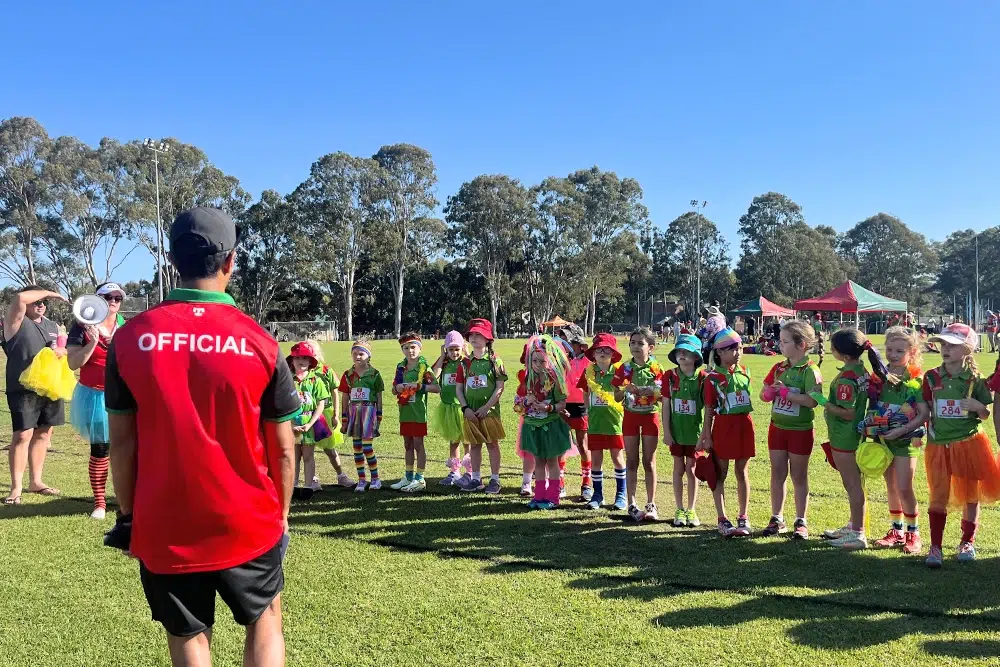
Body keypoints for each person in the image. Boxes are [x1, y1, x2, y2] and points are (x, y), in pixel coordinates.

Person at [105, 207, 299, 665]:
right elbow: (284, 448)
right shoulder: (259, 341)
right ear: (231, 261)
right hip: (248, 519)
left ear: (172, 261)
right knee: (266, 620)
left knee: (188, 635)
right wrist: (283, 514)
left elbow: (122, 443)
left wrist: (132, 515)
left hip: (164, 522)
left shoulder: (131, 337)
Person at [922, 324, 1000, 567]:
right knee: (938, 495)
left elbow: (986, 414)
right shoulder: (931, 376)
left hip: (969, 444)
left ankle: (967, 542)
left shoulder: (975, 380)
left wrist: (979, 408)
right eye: (943, 344)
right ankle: (935, 547)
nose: (945, 349)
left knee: (970, 495)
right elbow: (925, 408)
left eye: (952, 345)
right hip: (938, 445)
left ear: (967, 349)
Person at [820, 329, 888, 551]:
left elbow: (846, 412)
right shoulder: (860, 369)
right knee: (853, 484)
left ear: (843, 354)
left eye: (833, 347)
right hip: (852, 433)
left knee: (852, 485)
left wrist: (821, 400)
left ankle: (858, 534)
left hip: (845, 435)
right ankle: (854, 525)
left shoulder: (848, 378)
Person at [3, 285, 69, 505]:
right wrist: (50, 293)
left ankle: (36, 481)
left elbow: (63, 348)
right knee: (22, 435)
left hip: (49, 387)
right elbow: (20, 298)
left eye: (44, 303)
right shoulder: (15, 322)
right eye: (37, 301)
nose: (41, 305)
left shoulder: (53, 326)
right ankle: (16, 487)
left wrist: (62, 351)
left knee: (43, 434)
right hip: (22, 389)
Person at [67, 282, 127, 518]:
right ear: (97, 298)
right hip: (94, 396)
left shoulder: (125, 326)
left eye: (117, 298)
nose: (113, 301)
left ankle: (126, 499)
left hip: (122, 392)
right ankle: (100, 503)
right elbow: (73, 363)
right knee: (101, 449)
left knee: (126, 448)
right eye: (107, 296)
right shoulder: (81, 325)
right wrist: (92, 342)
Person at [760, 320, 822, 539]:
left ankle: (800, 520)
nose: (780, 344)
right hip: (777, 429)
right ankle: (777, 517)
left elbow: (813, 401)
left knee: (799, 476)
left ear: (801, 344)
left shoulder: (810, 370)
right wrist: (769, 394)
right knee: (777, 473)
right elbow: (763, 393)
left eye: (785, 341)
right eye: (781, 340)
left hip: (800, 430)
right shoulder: (779, 367)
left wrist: (788, 394)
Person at [870, 327, 928, 555]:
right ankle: (896, 531)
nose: (893, 355)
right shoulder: (880, 377)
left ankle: (914, 534)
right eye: (889, 349)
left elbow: (924, 414)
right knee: (891, 487)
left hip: (906, 440)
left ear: (912, 352)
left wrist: (902, 429)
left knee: (905, 487)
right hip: (885, 439)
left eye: (899, 351)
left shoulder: (916, 380)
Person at [700, 328, 755, 536]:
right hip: (723, 426)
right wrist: (706, 434)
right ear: (720, 353)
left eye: (739, 347)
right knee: (720, 473)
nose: (738, 352)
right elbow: (708, 409)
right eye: (732, 348)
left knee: (742, 471)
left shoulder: (745, 371)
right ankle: (722, 518)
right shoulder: (711, 377)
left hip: (744, 425)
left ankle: (743, 516)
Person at [612, 327, 664, 522]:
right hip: (631, 417)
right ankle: (632, 504)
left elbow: (662, 396)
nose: (635, 346)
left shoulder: (657, 368)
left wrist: (651, 391)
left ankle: (651, 504)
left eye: (640, 343)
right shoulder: (624, 368)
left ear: (650, 347)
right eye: (632, 343)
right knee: (632, 460)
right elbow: (616, 397)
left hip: (650, 416)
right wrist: (626, 388)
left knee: (649, 462)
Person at [515, 335, 571, 510]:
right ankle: (539, 495)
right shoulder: (527, 380)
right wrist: (526, 402)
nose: (538, 364)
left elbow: (562, 404)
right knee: (538, 461)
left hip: (551, 425)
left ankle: (553, 497)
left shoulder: (555, 381)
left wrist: (548, 408)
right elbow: (518, 403)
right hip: (532, 425)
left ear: (550, 361)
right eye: (535, 360)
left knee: (552, 461)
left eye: (542, 361)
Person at [455, 318, 507, 494]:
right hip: (471, 412)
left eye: (479, 334)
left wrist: (486, 407)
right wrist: (465, 408)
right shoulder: (464, 363)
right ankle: (476, 479)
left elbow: (500, 387)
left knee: (492, 444)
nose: (474, 338)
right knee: (475, 445)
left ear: (488, 339)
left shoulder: (495, 361)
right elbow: (459, 389)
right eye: (472, 334)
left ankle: (495, 480)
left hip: (489, 412)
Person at [578, 332, 627, 510]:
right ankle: (598, 495)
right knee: (596, 458)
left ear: (613, 354)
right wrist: (588, 410)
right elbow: (585, 392)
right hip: (596, 422)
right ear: (593, 354)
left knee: (617, 457)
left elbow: (623, 394)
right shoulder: (589, 373)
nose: (603, 353)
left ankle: (621, 494)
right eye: (599, 350)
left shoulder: (619, 373)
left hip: (614, 422)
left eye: (607, 350)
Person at [661, 334, 706, 527]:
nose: (683, 355)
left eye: (688, 352)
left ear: (696, 357)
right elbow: (665, 406)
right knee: (678, 468)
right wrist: (667, 432)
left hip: (695, 435)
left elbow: (710, 410)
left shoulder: (703, 379)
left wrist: (705, 435)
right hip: (677, 434)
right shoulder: (670, 377)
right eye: (680, 351)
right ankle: (679, 508)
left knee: (692, 470)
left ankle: (691, 509)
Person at [390, 333, 439, 493]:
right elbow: (394, 388)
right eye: (406, 348)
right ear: (402, 350)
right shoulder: (400, 366)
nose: (410, 351)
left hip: (418, 412)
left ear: (419, 348)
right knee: (407, 444)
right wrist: (397, 388)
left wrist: (419, 387)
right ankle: (408, 476)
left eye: (413, 347)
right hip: (405, 411)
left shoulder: (424, 368)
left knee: (419, 445)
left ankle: (420, 478)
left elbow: (437, 388)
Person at [300, 341, 352, 489]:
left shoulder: (325, 371)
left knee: (329, 448)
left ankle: (341, 475)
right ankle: (313, 479)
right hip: (306, 415)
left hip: (325, 414)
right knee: (306, 449)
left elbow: (335, 393)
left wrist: (336, 414)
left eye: (313, 354)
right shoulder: (301, 372)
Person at [339, 339, 384, 492]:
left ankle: (376, 479)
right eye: (355, 354)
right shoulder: (348, 375)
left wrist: (379, 416)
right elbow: (345, 397)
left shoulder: (375, 374)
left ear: (368, 356)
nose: (358, 356)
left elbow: (379, 396)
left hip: (369, 411)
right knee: (357, 448)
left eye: (361, 354)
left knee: (367, 447)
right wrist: (344, 418)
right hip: (353, 412)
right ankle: (362, 480)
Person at [287, 342, 330, 493]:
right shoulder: (288, 381)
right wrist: (291, 425)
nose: (301, 361)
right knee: (294, 457)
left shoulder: (316, 380)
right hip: (291, 424)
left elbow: (321, 403)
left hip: (309, 423)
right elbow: (282, 404)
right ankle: (293, 487)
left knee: (308, 456)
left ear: (311, 361)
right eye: (297, 357)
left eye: (305, 357)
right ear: (291, 361)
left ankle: (308, 487)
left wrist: (311, 423)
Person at [557, 324, 592, 501]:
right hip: (563, 405)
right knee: (561, 445)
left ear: (579, 344)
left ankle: (587, 483)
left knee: (582, 445)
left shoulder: (588, 362)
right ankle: (560, 483)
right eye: (562, 338)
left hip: (580, 406)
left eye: (567, 339)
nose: (564, 342)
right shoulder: (561, 361)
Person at [433, 331, 471, 485]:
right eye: (450, 350)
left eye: (457, 349)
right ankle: (454, 472)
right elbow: (433, 376)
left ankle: (470, 472)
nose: (454, 353)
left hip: (463, 407)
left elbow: (474, 369)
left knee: (468, 441)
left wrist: (467, 354)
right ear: (446, 349)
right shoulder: (445, 362)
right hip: (448, 407)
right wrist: (442, 357)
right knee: (453, 441)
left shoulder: (466, 361)